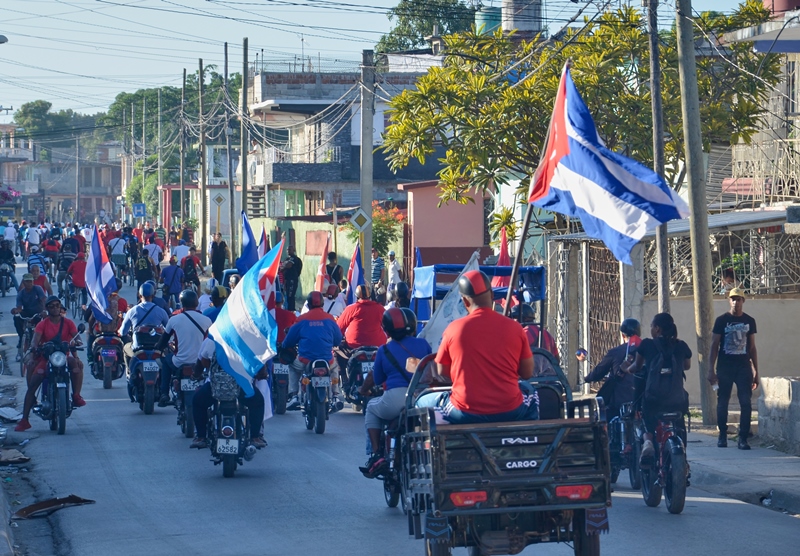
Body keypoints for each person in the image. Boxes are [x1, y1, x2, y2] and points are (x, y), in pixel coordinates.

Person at [416, 270, 539, 425]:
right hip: (510, 410)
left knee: (420, 402)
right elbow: (527, 373)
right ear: (492, 296)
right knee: (532, 394)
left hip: (464, 411)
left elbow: (442, 371)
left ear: (465, 302)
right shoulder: (515, 328)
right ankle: (532, 441)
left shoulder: (454, 329)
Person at [360, 308, 431, 478]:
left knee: (371, 408)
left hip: (395, 399)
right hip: (423, 398)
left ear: (387, 329)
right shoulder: (423, 344)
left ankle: (376, 454)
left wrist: (364, 390)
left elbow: (377, 378)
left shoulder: (384, 350)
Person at [623, 313, 692, 465]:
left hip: (654, 399)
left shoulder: (647, 344)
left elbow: (637, 366)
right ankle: (683, 453)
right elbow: (686, 366)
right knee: (679, 424)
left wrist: (627, 370)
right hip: (677, 400)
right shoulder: (681, 345)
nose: (651, 329)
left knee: (645, 413)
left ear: (658, 329)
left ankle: (647, 441)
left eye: (652, 326)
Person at [15, 296, 85, 432]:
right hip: (46, 358)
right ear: (47, 309)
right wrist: (35, 346)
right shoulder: (43, 324)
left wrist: (77, 342)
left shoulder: (68, 323)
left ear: (61, 308)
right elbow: (35, 339)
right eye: (51, 306)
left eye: (57, 305)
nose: (55, 308)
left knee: (76, 366)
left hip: (63, 357)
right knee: (35, 381)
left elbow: (77, 337)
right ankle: (25, 420)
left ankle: (76, 395)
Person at [189, 336, 267, 449]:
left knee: (197, 401)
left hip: (215, 388)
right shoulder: (248, 338)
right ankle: (255, 437)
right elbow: (258, 363)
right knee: (258, 402)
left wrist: (197, 375)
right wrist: (262, 375)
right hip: (242, 388)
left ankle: (201, 437)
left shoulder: (211, 339)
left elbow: (203, 362)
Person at [708, 287, 759, 450]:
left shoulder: (749, 321)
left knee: (745, 402)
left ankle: (743, 438)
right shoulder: (721, 320)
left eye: (739, 299)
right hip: (725, 366)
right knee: (723, 402)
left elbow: (752, 347)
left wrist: (756, 371)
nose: (736, 302)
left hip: (743, 367)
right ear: (729, 300)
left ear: (743, 301)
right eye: (733, 299)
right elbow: (714, 345)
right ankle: (722, 434)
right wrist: (711, 369)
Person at [282, 291, 343, 411]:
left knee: (293, 367)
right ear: (322, 304)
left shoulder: (301, 320)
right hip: (326, 360)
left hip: (305, 360)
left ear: (308, 305)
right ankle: (335, 395)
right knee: (334, 368)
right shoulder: (330, 319)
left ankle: (294, 395)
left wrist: (285, 345)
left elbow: (288, 342)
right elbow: (338, 340)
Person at [155, 290, 212, 407]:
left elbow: (163, 341)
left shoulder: (174, 319)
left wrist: (158, 347)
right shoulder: (207, 320)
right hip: (199, 362)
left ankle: (164, 393)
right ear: (196, 303)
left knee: (166, 362)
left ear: (182, 303)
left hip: (179, 361)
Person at [584, 318, 641, 421]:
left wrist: (587, 378)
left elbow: (599, 371)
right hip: (642, 399)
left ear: (623, 335)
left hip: (619, 401)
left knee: (600, 416)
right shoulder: (647, 350)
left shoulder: (615, 352)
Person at [337, 285, 386, 349]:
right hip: (378, 346)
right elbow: (389, 327)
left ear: (357, 297)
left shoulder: (351, 309)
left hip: (353, 347)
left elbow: (338, 328)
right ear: (369, 296)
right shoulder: (380, 308)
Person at [12, 274, 47, 358]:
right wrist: (16, 310)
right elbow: (20, 308)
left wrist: (44, 310)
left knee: (40, 328)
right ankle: (22, 337)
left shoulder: (37, 289)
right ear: (23, 282)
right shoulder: (21, 293)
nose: (29, 283)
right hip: (27, 312)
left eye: (30, 281)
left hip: (38, 312)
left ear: (33, 282)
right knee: (17, 317)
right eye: (27, 281)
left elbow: (44, 299)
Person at [281, 245, 302, 311]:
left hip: (292, 280)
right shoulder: (287, 259)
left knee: (290, 296)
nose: (288, 251)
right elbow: (283, 266)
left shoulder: (295, 259)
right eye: (287, 250)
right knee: (287, 296)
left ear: (293, 250)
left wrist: (283, 267)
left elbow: (288, 265)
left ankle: (291, 310)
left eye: (290, 249)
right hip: (286, 280)